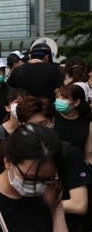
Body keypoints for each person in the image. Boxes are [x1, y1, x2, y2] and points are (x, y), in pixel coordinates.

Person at [0, 123, 68, 232]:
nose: (37, 186)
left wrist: (56, 208)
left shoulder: (47, 196)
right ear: (8, 162)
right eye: (30, 178)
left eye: (46, 180)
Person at [17, 95, 90, 232]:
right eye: (31, 126)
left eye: (43, 125)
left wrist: (44, 205)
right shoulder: (15, 153)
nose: (38, 131)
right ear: (21, 126)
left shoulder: (68, 153)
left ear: (52, 122)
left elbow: (79, 204)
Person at [0, 88, 26, 168]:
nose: (21, 106)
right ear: (7, 107)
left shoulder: (30, 131)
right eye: (17, 102)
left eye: (24, 103)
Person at [53, 84, 92, 160]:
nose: (59, 100)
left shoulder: (87, 123)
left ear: (76, 102)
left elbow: (89, 153)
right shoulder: (51, 116)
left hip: (75, 165)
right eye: (57, 97)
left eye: (64, 98)